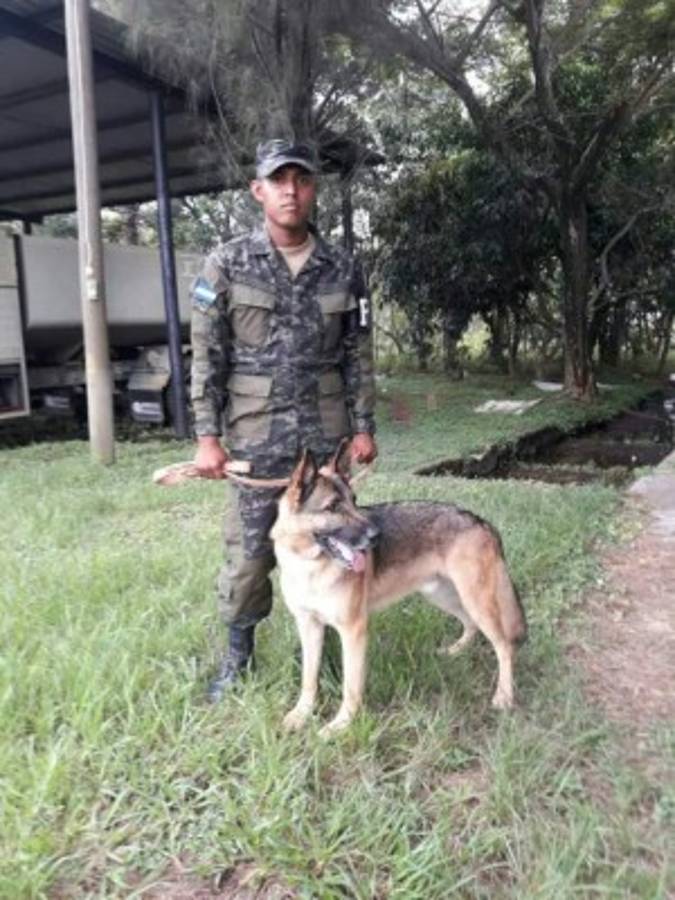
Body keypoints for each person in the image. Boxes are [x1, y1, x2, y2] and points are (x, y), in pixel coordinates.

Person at [190, 138, 378, 701]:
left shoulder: (344, 267)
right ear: (258, 190)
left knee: (333, 546)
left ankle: (323, 654)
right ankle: (238, 658)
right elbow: (207, 355)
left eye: (301, 180)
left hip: (325, 442)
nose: (290, 191)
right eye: (278, 181)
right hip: (255, 440)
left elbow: (358, 354)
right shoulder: (225, 264)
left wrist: (364, 426)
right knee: (250, 556)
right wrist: (206, 436)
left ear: (313, 188)